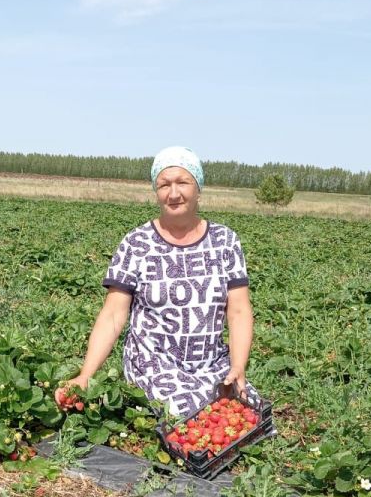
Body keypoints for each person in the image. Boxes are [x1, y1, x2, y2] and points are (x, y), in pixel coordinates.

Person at [55, 146, 256, 417]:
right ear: (156, 191)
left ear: (198, 188)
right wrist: (85, 374)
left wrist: (238, 367)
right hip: (154, 364)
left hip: (210, 363)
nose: (173, 193)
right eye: (164, 185)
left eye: (183, 182)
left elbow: (239, 310)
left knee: (246, 410)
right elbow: (113, 315)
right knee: (188, 413)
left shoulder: (225, 241)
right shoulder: (137, 243)